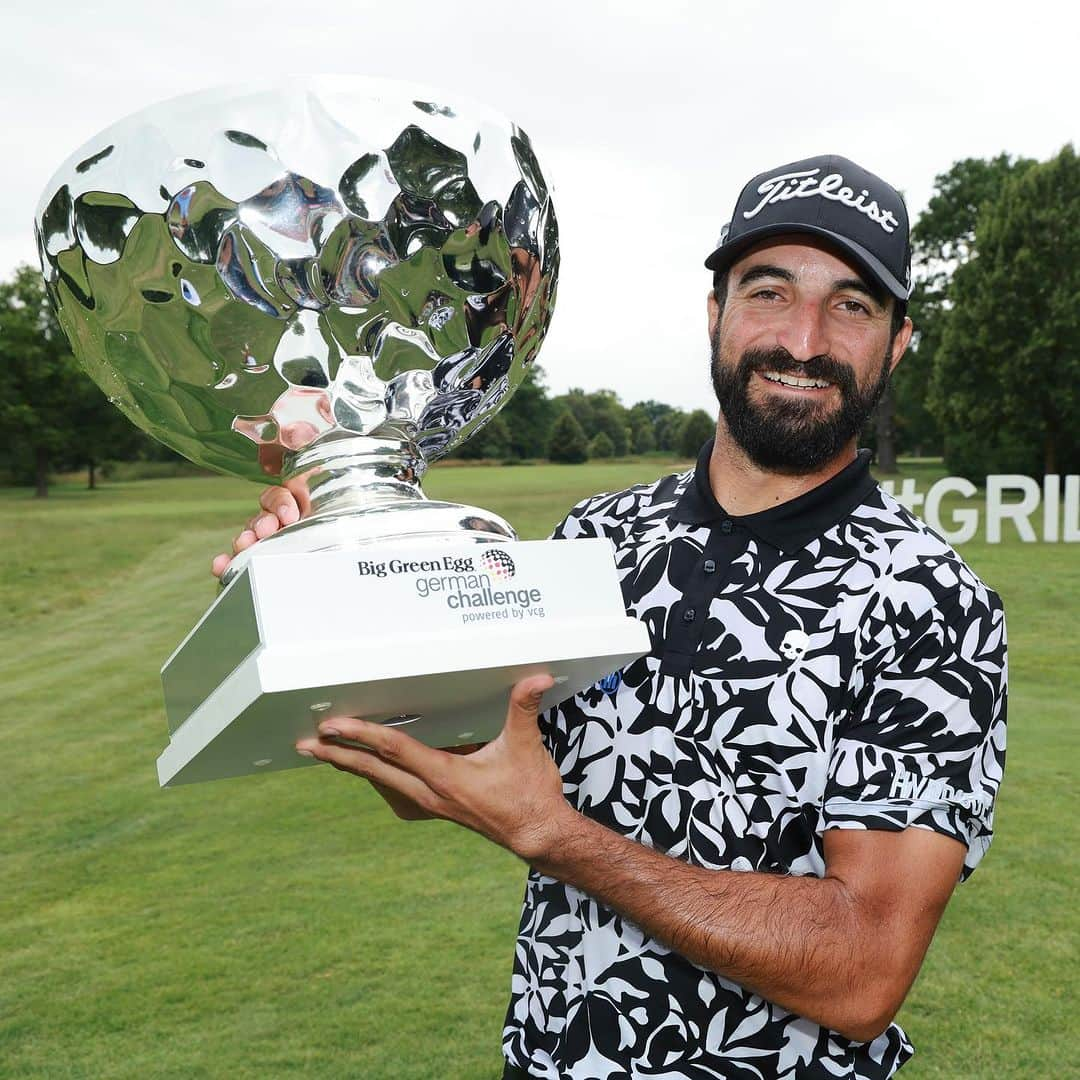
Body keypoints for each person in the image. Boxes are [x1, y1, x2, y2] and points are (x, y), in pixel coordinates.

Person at [211, 155, 1008, 1080]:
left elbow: (862, 974)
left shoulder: (933, 603)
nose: (803, 338)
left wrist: (559, 837)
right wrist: (319, 579)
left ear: (898, 342)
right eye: (769, 291)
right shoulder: (600, 539)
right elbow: (452, 774)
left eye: (853, 306)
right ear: (714, 312)